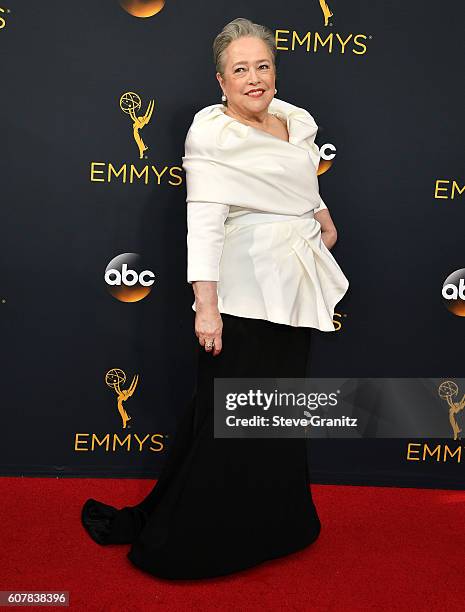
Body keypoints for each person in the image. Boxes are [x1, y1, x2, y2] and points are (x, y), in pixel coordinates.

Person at [81, 16, 349, 580]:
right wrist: (207, 305)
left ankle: (279, 525)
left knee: (275, 417)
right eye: (240, 69)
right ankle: (196, 541)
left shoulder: (294, 122)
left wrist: (322, 217)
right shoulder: (212, 136)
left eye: (263, 65)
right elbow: (202, 222)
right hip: (244, 294)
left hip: (295, 287)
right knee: (228, 420)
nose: (255, 78)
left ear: (275, 70)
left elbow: (303, 181)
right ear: (221, 80)